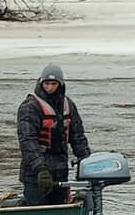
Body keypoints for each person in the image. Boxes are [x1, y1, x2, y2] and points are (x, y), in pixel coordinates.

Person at [17, 64, 91, 206]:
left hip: (60, 173)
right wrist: (40, 168)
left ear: (60, 84)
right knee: (37, 208)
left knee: (60, 206)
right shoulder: (30, 107)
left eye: (53, 84)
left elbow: (78, 137)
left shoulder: (68, 105)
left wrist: (86, 160)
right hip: (35, 175)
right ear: (41, 83)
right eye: (47, 84)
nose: (50, 88)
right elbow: (27, 141)